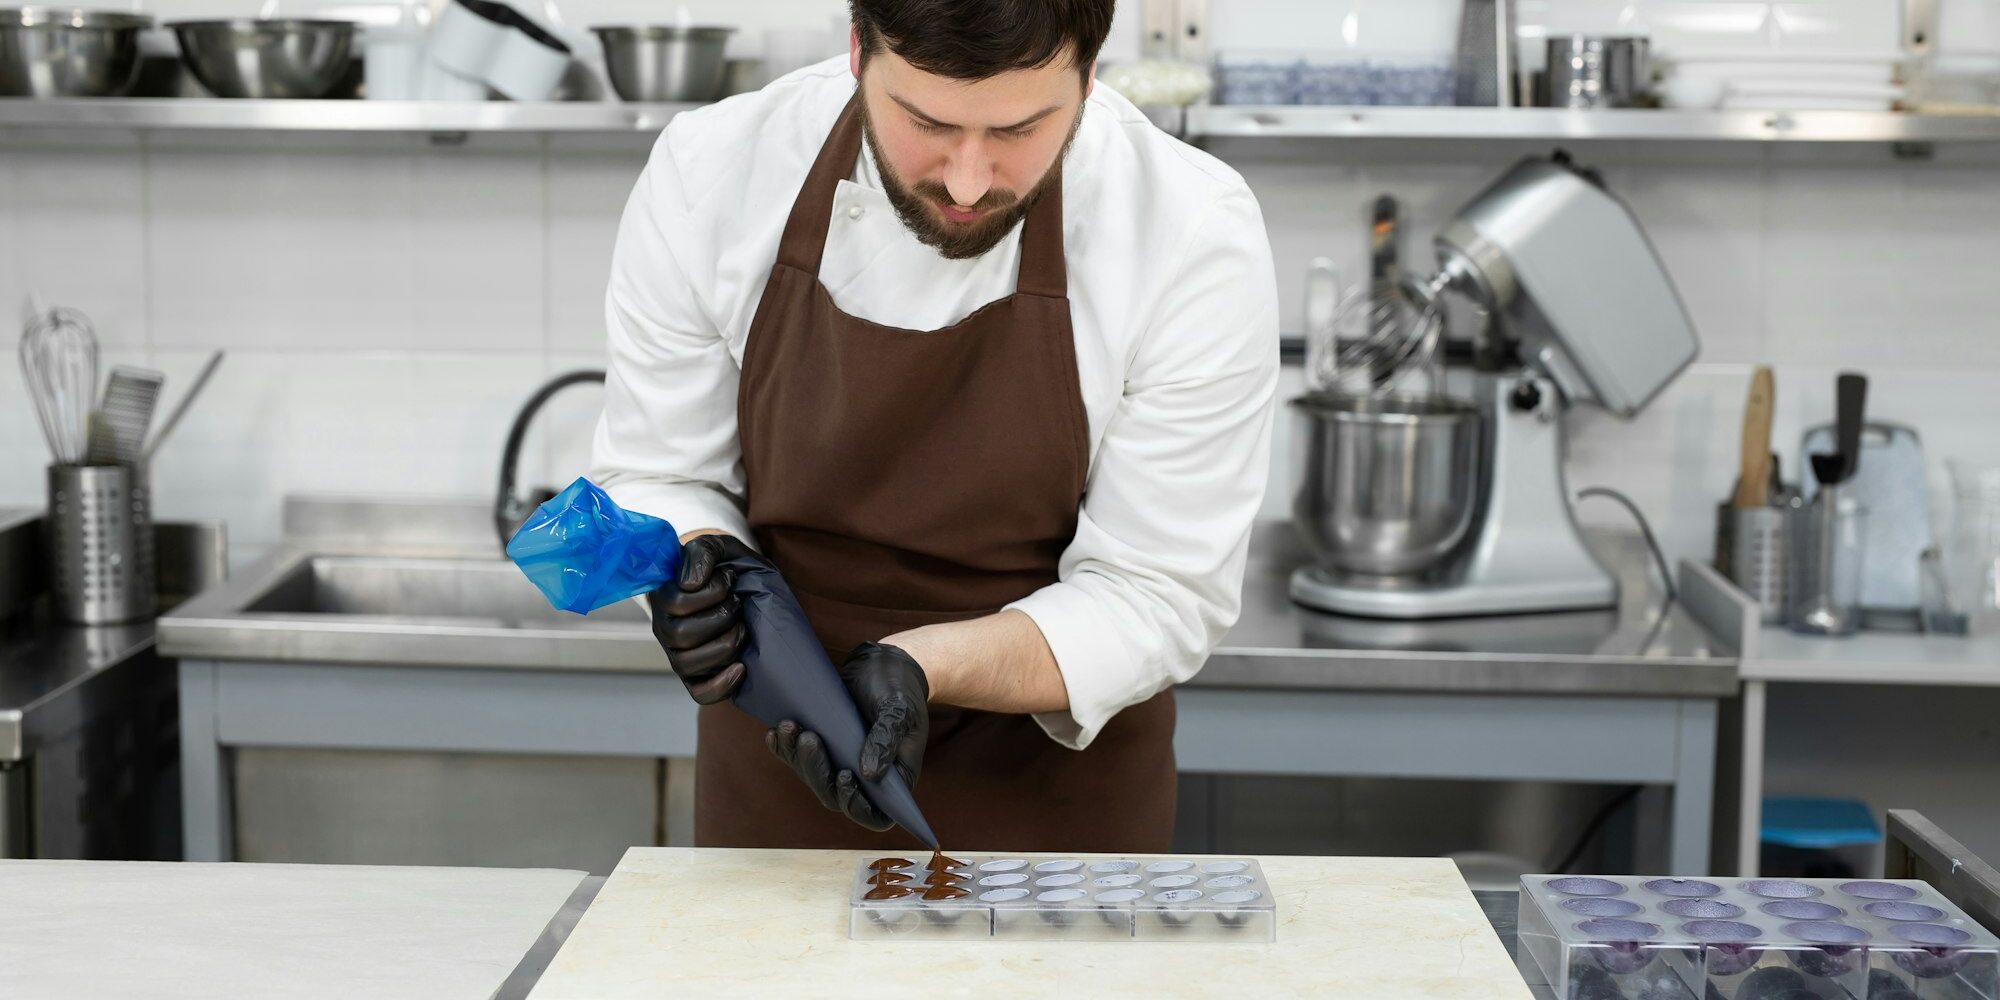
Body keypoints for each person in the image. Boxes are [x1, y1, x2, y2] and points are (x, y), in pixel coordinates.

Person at [591, 0, 1278, 851]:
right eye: (925, 122)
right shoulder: (714, 175)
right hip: (782, 770)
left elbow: (1157, 590)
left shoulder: (1188, 229)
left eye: (1021, 129)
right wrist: (696, 560)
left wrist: (927, 665)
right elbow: (659, 470)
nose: (966, 179)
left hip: (1055, 818)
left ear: (1091, 75)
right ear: (856, 51)